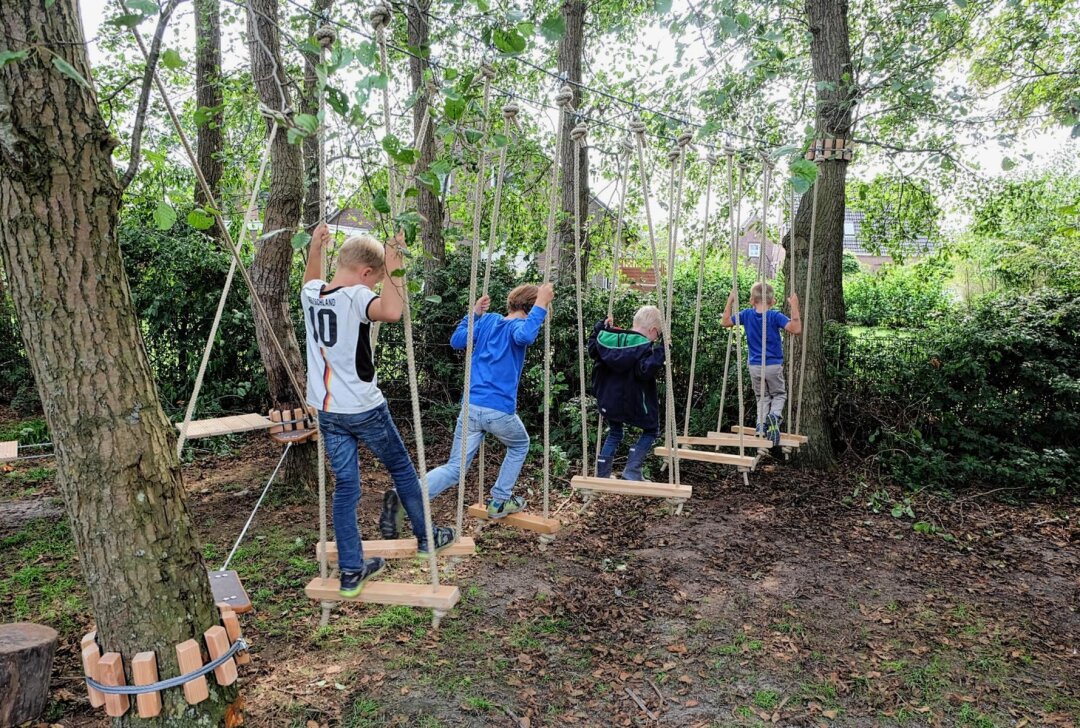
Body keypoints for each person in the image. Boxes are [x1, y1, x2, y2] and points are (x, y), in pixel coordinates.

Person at [301, 222, 456, 598]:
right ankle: (426, 537)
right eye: (375, 278)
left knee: (346, 488)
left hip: (327, 410)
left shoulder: (311, 293)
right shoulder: (355, 296)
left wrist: (315, 249)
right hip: (363, 408)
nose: (372, 285)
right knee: (402, 469)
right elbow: (391, 311)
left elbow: (311, 276)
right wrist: (396, 259)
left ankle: (352, 570)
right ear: (366, 273)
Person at [381, 281, 554, 534]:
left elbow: (457, 339)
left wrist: (474, 313)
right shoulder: (518, 326)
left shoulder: (487, 321)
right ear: (529, 308)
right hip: (497, 410)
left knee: (454, 468)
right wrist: (542, 303)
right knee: (519, 445)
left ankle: (404, 496)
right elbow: (525, 334)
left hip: (471, 408)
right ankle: (499, 499)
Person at [588, 305, 667, 481]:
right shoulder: (645, 347)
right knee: (651, 430)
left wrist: (599, 327)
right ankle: (632, 470)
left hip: (608, 400)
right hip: (634, 401)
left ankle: (602, 475)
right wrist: (662, 352)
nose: (656, 339)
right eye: (658, 335)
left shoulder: (607, 338)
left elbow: (593, 349)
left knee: (615, 432)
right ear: (653, 330)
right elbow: (644, 371)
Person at [721, 282, 802, 446]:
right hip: (773, 365)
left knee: (762, 396)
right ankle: (774, 416)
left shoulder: (746, 315)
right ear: (773, 302)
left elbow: (725, 322)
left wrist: (730, 301)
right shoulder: (775, 316)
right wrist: (794, 306)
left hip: (755, 366)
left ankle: (761, 425)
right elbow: (796, 328)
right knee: (779, 394)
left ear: (752, 300)